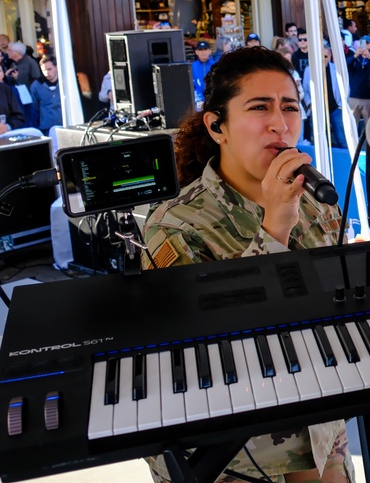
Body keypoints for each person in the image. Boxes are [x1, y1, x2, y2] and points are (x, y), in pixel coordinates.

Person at [141, 47, 353, 483]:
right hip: (231, 451)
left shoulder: (318, 203)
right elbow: (200, 343)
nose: (280, 123)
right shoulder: (175, 225)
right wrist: (274, 226)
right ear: (217, 126)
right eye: (260, 107)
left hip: (319, 421)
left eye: (291, 107)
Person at [302, 45, 347, 149]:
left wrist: (340, 105)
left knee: (341, 139)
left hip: (335, 108)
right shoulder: (309, 70)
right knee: (320, 139)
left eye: (325, 56)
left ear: (330, 56)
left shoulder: (337, 69)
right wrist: (310, 104)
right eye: (320, 56)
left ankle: (349, 162)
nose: (323, 59)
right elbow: (305, 90)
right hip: (318, 110)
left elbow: (346, 88)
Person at [347, 36, 370, 126]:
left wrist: (369, 59)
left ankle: (369, 141)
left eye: (367, 43)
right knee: (352, 126)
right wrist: (355, 56)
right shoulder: (355, 58)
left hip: (369, 98)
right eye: (362, 43)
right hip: (354, 97)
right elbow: (345, 66)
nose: (364, 46)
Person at [29, 55, 62, 135]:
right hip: (47, 127)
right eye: (44, 70)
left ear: (56, 67)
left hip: (66, 124)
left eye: (49, 69)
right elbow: (34, 106)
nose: (47, 73)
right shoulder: (36, 86)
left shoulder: (64, 83)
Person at [191, 41, 216, 106]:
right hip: (198, 102)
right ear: (196, 52)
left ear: (210, 51)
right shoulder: (192, 67)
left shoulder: (216, 65)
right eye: (201, 50)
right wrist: (199, 100)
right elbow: (192, 86)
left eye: (205, 49)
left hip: (213, 100)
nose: (203, 52)